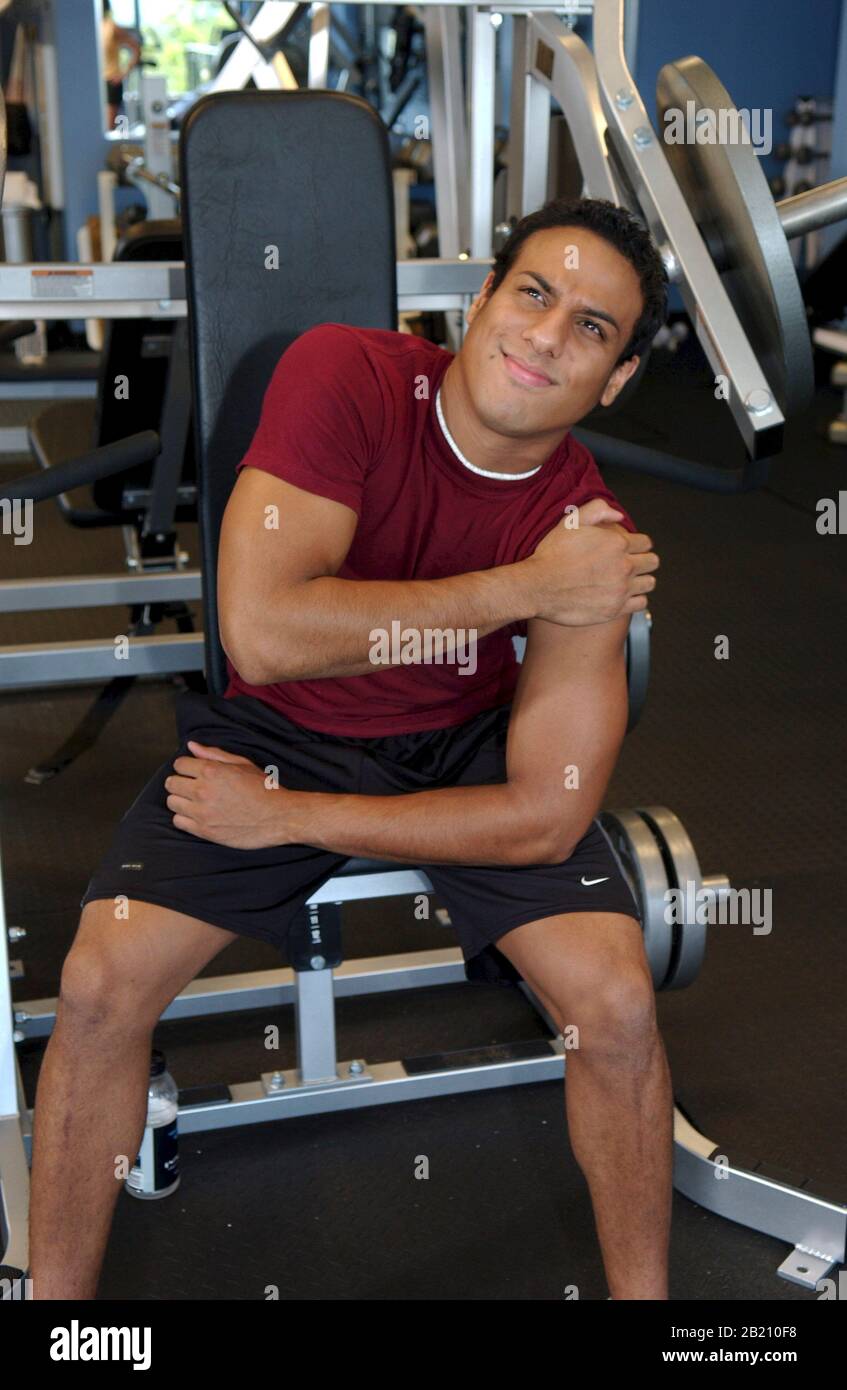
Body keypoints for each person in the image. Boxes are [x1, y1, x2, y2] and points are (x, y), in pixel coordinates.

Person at [29, 196, 669, 1300]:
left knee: (614, 1008)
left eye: (591, 329)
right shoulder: (347, 377)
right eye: (532, 293)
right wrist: (523, 587)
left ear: (613, 383)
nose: (546, 337)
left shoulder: (590, 539)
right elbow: (265, 637)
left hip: (468, 740)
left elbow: (544, 815)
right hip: (285, 727)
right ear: (479, 301)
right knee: (94, 985)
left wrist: (288, 820)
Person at [101, 0, 141, 131]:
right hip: (96, 83)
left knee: (107, 128)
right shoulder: (88, 29)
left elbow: (136, 48)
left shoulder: (111, 27)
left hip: (112, 80)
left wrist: (124, 73)